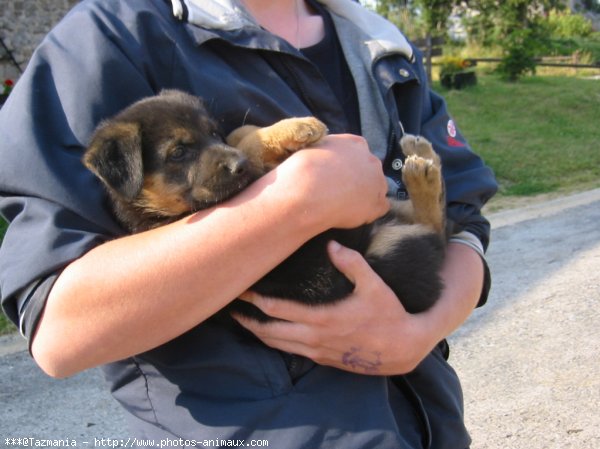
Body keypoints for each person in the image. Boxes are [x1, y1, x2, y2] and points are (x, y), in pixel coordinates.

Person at [0, 0, 498, 447]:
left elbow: (466, 218)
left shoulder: (377, 40)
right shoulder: (109, 36)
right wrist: (296, 199)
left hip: (433, 426)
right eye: (181, 151)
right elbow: (60, 330)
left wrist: (417, 334)